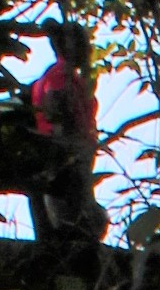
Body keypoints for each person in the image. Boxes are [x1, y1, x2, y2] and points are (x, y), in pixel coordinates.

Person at [22, 16, 101, 245]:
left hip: (76, 155)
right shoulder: (59, 76)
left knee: (83, 218)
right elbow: (55, 106)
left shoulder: (74, 80)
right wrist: (63, 144)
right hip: (64, 156)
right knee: (69, 220)